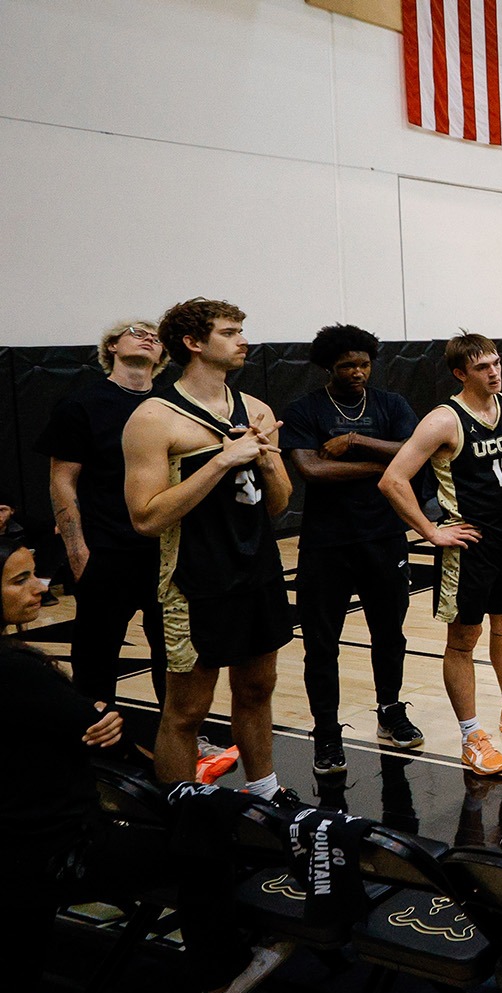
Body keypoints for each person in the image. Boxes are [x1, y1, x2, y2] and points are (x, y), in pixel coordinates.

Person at [123, 298, 294, 796]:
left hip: (257, 571)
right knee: (187, 711)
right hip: (195, 580)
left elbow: (280, 504)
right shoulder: (155, 418)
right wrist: (221, 461)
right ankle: (183, 817)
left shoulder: (257, 409)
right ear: (194, 344)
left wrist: (263, 460)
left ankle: (264, 794)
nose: (243, 340)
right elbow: (146, 517)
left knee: (257, 690)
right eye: (229, 332)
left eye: (242, 330)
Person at [1, 537, 134, 993]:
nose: (41, 587)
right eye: (20, 580)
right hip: (34, 853)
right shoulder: (16, 669)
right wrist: (102, 716)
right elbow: (89, 725)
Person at [379, 332, 502, 776]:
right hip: (467, 547)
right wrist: (431, 531)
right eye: (482, 368)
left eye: (496, 363)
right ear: (459, 373)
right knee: (463, 641)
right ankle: (471, 735)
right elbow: (393, 480)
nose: (494, 372)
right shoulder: (443, 420)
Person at [282, 324, 421, 774]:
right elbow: (312, 471)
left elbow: (411, 453)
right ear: (329, 366)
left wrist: (356, 442)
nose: (357, 372)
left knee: (390, 633)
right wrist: (384, 466)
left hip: (383, 536)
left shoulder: (390, 404)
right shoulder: (305, 410)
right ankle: (325, 731)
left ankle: (390, 709)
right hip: (327, 544)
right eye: (347, 366)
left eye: (363, 364)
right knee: (321, 643)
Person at [36, 320, 168, 716]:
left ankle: (180, 738)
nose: (148, 337)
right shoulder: (82, 404)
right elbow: (62, 480)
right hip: (106, 550)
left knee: (173, 654)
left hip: (164, 551)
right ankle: (92, 743)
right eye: (136, 330)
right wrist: (76, 551)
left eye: (156, 336)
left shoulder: (169, 406)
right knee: (96, 657)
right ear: (111, 346)